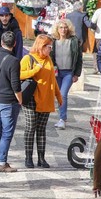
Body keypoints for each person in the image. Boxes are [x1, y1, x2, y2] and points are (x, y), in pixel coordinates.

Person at [19, 34, 63, 168]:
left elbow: (52, 79)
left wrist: (58, 95)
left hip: (46, 98)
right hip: (31, 98)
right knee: (30, 127)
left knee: (41, 129)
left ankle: (41, 158)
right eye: (49, 47)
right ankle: (28, 158)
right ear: (41, 46)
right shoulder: (28, 58)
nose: (51, 49)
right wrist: (35, 70)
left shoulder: (48, 60)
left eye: (51, 47)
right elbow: (19, 75)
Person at [0, 30, 22, 173]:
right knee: (7, 133)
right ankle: (1, 163)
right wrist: (20, 100)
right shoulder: (14, 61)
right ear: (14, 44)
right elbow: (16, 85)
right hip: (8, 101)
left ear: (2, 42)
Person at [51, 19, 84, 129]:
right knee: (59, 96)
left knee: (63, 94)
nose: (63, 30)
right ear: (57, 29)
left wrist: (77, 74)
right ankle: (61, 118)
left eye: (65, 27)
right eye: (61, 27)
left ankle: (62, 119)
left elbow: (79, 59)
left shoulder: (74, 41)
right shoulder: (53, 41)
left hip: (68, 72)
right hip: (57, 73)